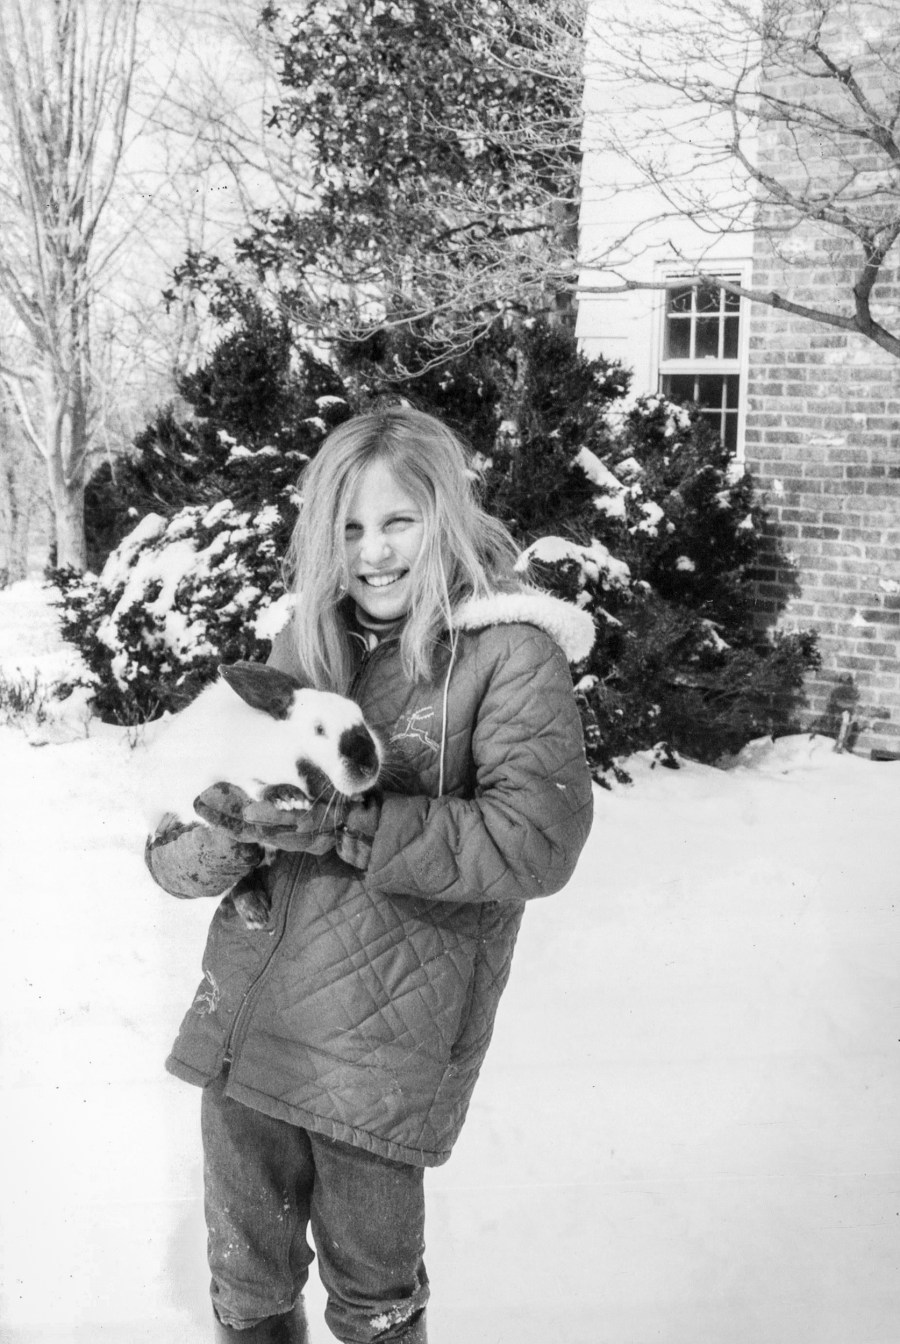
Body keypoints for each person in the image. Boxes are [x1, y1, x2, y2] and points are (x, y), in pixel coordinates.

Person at [145, 406, 595, 1344]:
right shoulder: (306, 643)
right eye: (349, 526)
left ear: (448, 518)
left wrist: (347, 823)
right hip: (249, 1027)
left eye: (398, 522)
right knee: (246, 1289)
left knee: (373, 1302)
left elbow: (535, 836)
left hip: (379, 1053)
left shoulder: (509, 653)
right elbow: (196, 811)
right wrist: (221, 835)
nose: (372, 552)